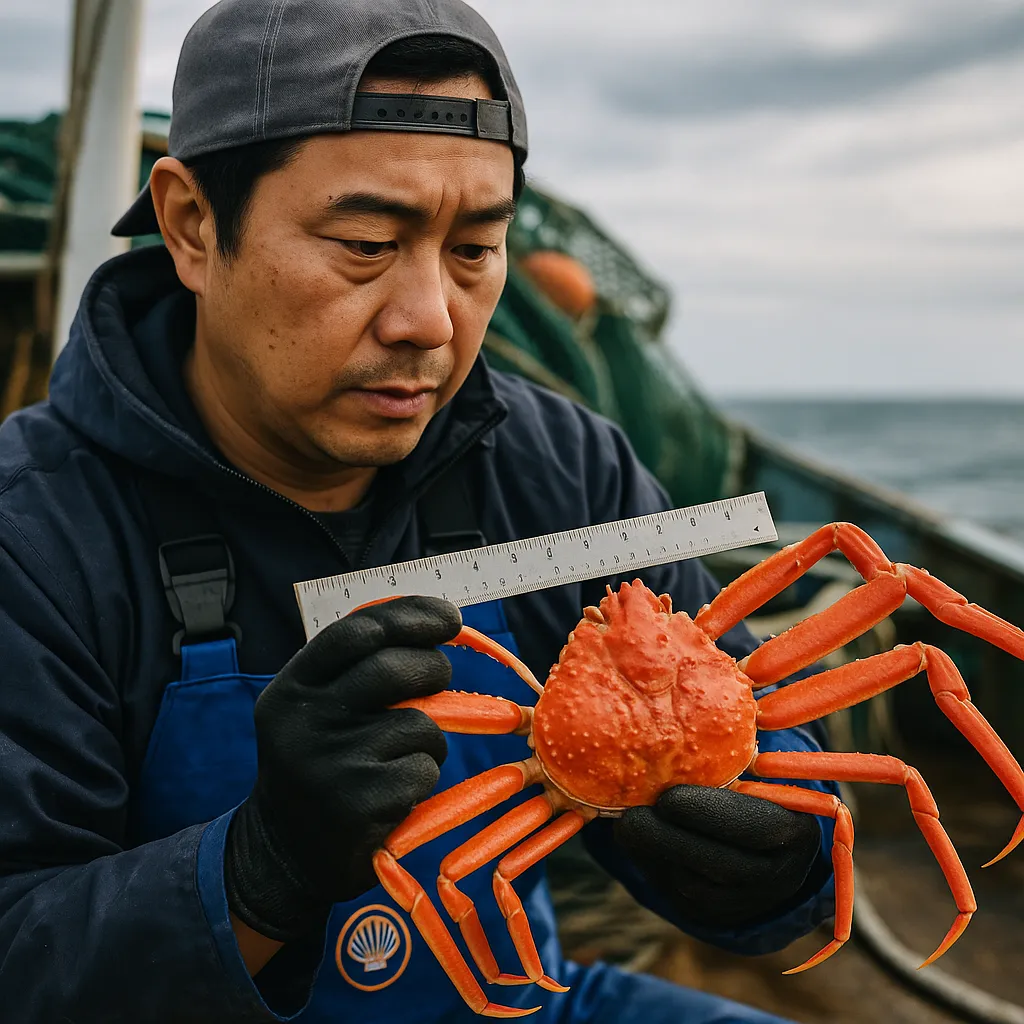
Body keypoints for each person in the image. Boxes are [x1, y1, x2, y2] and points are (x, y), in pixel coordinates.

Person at [0, 1, 839, 1020]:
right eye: (364, 243)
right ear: (192, 226)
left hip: (519, 1001)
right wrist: (256, 873)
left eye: (475, 249)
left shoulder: (560, 465)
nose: (430, 321)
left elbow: (773, 760)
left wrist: (779, 857)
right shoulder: (31, 532)